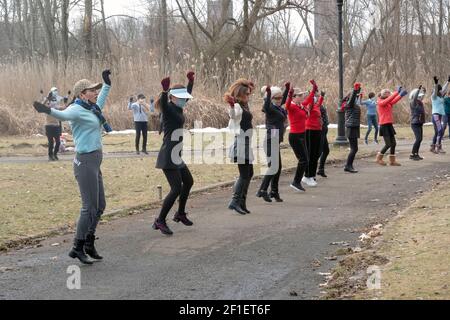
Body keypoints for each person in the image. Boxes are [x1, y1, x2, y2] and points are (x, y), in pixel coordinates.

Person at [33, 70, 113, 265]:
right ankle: (77, 247)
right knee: (89, 208)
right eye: (91, 90)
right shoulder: (76, 110)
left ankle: (88, 243)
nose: (95, 92)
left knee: (100, 206)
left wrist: (106, 83)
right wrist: (47, 111)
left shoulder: (93, 108)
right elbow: (62, 113)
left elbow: (102, 96)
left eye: (95, 90)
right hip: (84, 162)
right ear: (81, 94)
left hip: (94, 162)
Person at [153, 72, 195, 236]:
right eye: (182, 97)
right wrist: (164, 91)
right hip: (168, 154)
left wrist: (190, 82)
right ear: (172, 97)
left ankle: (180, 213)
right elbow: (163, 104)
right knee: (176, 188)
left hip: (176, 154)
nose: (186, 100)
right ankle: (160, 220)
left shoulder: (178, 106)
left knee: (189, 182)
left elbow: (188, 96)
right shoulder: (169, 109)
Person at [225, 79, 255, 215]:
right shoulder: (237, 106)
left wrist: (249, 86)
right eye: (247, 94)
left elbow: (247, 94)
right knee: (244, 174)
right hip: (241, 142)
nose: (249, 96)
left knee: (250, 173)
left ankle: (242, 202)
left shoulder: (244, 104)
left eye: (249, 94)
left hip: (246, 142)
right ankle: (234, 201)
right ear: (240, 95)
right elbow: (233, 115)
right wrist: (231, 105)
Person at [256, 83, 289, 203]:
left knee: (278, 167)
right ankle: (262, 190)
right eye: (277, 98)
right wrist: (269, 94)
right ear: (271, 99)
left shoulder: (278, 107)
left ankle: (274, 191)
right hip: (270, 141)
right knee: (273, 167)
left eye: (280, 98)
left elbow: (283, 99)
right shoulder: (269, 108)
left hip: (275, 140)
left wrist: (287, 89)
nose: (280, 100)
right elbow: (266, 104)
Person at [285, 80, 318, 192]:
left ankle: (298, 181)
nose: (302, 96)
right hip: (295, 136)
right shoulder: (292, 107)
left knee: (306, 159)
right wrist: (289, 93)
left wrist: (314, 88)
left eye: (301, 95)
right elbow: (287, 104)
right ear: (294, 97)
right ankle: (296, 182)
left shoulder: (301, 106)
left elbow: (309, 99)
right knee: (303, 159)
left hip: (302, 135)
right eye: (299, 95)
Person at [375, 86, 408, 166]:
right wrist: (397, 92)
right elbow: (389, 99)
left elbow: (394, 100)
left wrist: (401, 95)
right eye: (388, 93)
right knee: (388, 144)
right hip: (384, 125)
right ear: (384, 94)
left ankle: (392, 161)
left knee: (393, 143)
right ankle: (378, 158)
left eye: (389, 93)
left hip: (389, 124)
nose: (389, 94)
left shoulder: (388, 101)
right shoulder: (380, 102)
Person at [303, 84, 324, 187]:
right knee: (311, 154)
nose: (316, 97)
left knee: (316, 153)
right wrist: (313, 89)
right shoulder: (309, 106)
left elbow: (319, 102)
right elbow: (311, 101)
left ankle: (311, 175)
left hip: (317, 131)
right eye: (314, 96)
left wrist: (322, 96)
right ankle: (308, 176)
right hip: (310, 130)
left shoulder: (316, 105)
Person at [42, 87, 69, 161]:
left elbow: (64, 108)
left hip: (56, 126)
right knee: (50, 142)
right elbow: (42, 105)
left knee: (58, 142)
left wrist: (65, 101)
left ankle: (55, 154)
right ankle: (50, 156)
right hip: (48, 126)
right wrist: (47, 98)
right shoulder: (47, 106)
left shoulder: (56, 106)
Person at [344, 83, 362, 173]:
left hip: (354, 127)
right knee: (354, 148)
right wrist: (355, 90)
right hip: (351, 127)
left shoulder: (354, 105)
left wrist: (358, 90)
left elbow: (356, 97)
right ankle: (348, 165)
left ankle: (349, 165)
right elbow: (352, 98)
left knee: (354, 148)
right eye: (356, 96)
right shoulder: (349, 104)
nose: (357, 97)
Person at [430, 76, 449, 154]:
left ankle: (432, 147)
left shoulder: (440, 96)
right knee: (440, 130)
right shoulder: (434, 97)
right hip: (436, 116)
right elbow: (435, 91)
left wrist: (448, 81)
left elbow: (444, 88)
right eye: (440, 90)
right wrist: (436, 84)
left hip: (439, 116)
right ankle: (438, 147)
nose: (442, 91)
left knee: (437, 132)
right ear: (437, 90)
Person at [409, 85, 426, 161]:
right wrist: (418, 90)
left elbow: (422, 97)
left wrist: (424, 92)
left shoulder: (420, 103)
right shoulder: (413, 102)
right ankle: (412, 154)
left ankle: (416, 154)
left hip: (419, 123)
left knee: (420, 139)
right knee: (418, 139)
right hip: (415, 123)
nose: (420, 97)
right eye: (418, 96)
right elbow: (415, 97)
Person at [317, 94, 330, 178]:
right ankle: (308, 173)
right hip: (320, 130)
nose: (318, 97)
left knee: (326, 150)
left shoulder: (319, 104)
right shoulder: (315, 105)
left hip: (324, 129)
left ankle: (321, 169)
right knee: (318, 152)